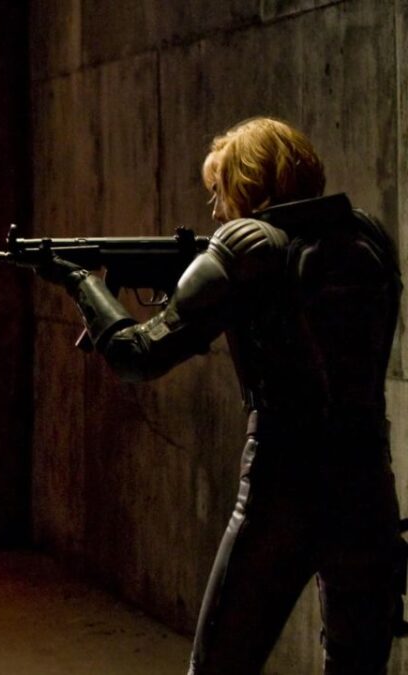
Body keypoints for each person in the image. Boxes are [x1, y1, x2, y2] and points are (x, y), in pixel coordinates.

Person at [36, 117, 404, 674]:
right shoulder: (368, 237)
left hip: (281, 487)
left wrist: (80, 281)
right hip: (367, 484)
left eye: (220, 191)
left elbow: (137, 356)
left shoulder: (246, 247)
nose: (215, 212)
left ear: (250, 183)